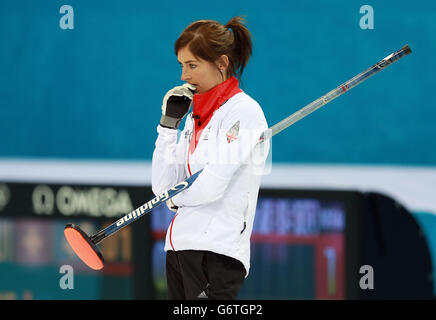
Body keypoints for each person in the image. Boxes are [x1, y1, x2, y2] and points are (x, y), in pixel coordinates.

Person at [151, 16, 269, 300]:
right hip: (179, 249)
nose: (184, 76)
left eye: (192, 65)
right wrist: (168, 128)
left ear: (221, 63)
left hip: (217, 252)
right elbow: (161, 186)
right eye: (182, 65)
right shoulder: (194, 117)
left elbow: (212, 185)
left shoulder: (244, 112)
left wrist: (174, 198)